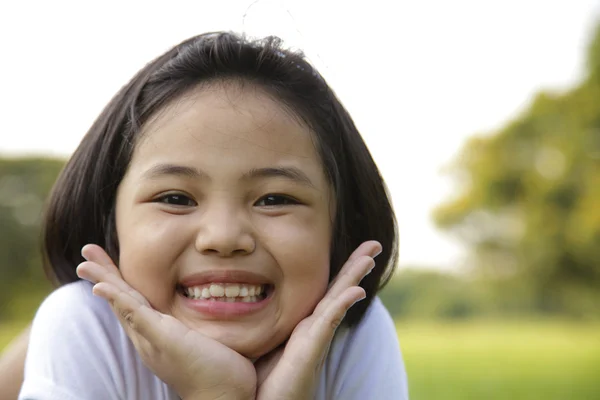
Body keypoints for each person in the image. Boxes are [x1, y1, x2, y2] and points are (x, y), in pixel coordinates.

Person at [13, 32, 408, 399]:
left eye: (273, 200)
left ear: (339, 228)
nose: (222, 237)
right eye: (175, 197)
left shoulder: (354, 332)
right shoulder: (83, 325)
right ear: (108, 223)